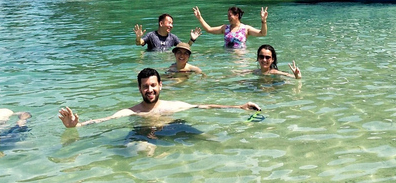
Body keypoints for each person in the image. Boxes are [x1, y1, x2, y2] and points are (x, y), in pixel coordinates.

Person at [58, 68, 259, 128]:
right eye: (145, 87)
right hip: (143, 133)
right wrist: (76, 126)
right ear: (139, 89)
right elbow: (105, 120)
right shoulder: (131, 112)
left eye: (153, 85)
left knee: (208, 139)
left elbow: (204, 106)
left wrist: (239, 107)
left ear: (160, 85)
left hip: (172, 127)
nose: (150, 90)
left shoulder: (174, 106)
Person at [192, 6, 268, 49]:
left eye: (230, 15)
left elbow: (263, 33)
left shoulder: (245, 28)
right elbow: (209, 29)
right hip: (227, 57)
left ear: (237, 15)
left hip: (241, 59)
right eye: (228, 16)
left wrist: (264, 21)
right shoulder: (225, 28)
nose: (228, 18)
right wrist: (199, 17)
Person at [134, 13, 201, 51]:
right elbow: (139, 43)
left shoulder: (173, 38)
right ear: (161, 23)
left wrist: (192, 39)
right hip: (153, 61)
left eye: (172, 23)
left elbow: (184, 48)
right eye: (169, 23)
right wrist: (138, 37)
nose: (171, 26)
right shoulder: (151, 35)